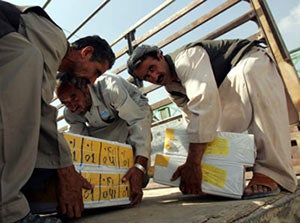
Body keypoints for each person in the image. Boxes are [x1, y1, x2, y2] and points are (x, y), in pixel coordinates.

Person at [127, 39, 298, 199]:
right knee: (208, 132)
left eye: (152, 68)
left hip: (251, 63)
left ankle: (271, 173)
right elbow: (192, 121)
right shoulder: (171, 88)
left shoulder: (187, 58)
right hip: (226, 89)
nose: (154, 77)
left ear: (160, 56)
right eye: (147, 77)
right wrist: (191, 165)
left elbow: (203, 103)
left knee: (248, 74)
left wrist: (193, 164)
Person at [0, 1, 114, 222]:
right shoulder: (54, 38)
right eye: (96, 72)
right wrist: (65, 168)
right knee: (26, 62)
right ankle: (8, 211)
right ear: (86, 52)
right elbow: (39, 107)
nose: (92, 82)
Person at [56, 72, 152, 205]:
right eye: (65, 103)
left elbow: (137, 122)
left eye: (74, 98)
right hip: (104, 125)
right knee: (111, 164)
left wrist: (139, 167)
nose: (72, 106)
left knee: (140, 175)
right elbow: (79, 145)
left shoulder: (110, 88)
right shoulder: (71, 114)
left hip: (135, 111)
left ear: (85, 87)